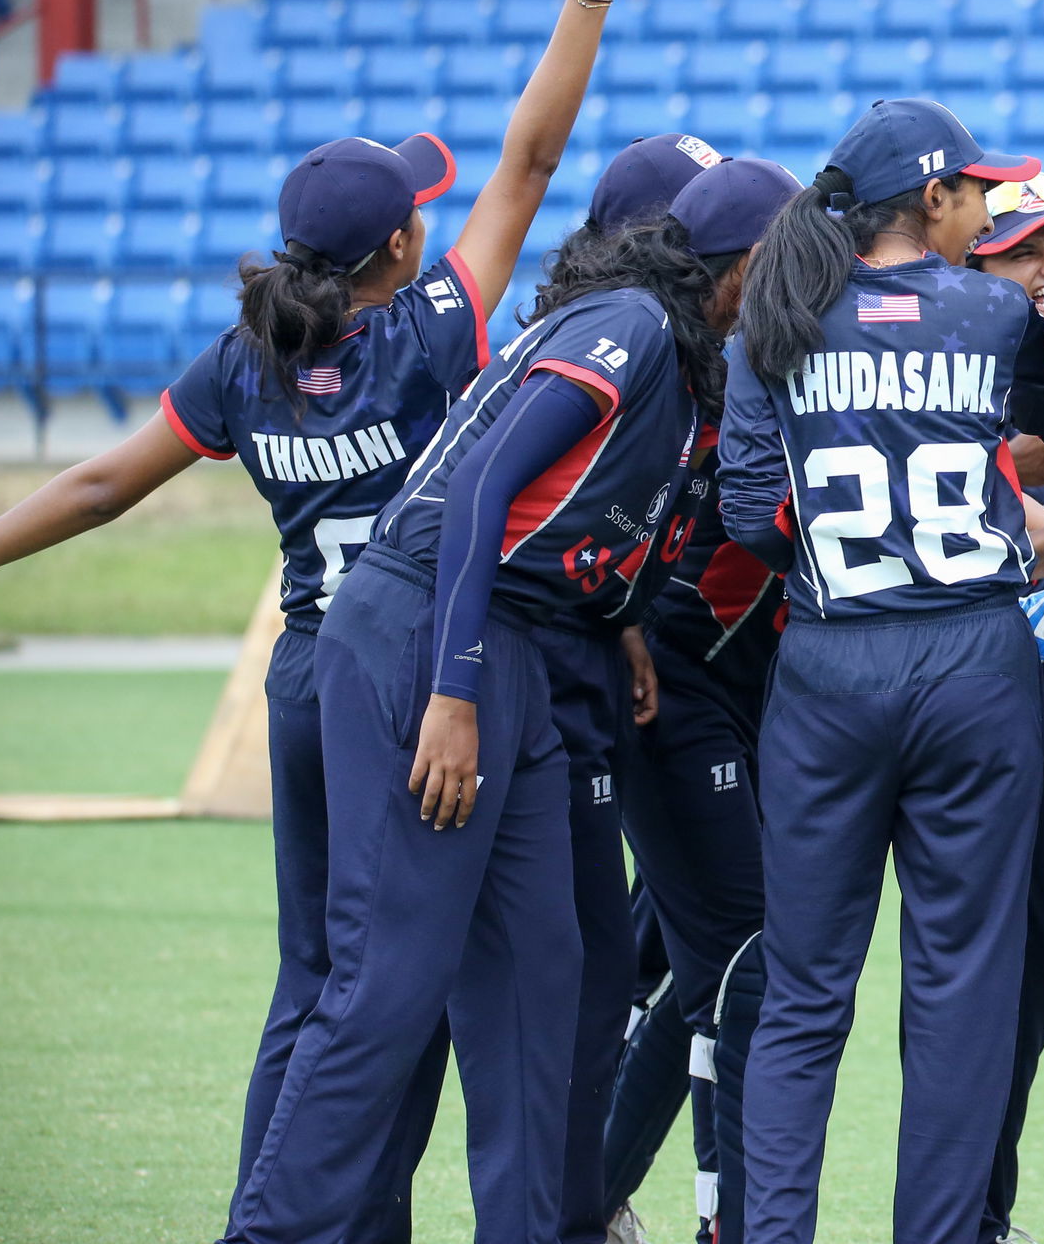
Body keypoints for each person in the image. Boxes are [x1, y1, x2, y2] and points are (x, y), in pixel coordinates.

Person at [0, 0, 651, 1243]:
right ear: (400, 248)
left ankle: (294, 1211)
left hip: (309, 680)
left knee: (319, 981)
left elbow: (108, 483)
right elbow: (527, 166)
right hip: (428, 675)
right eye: (418, 208)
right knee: (409, 987)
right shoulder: (433, 330)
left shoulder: (250, 363)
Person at [226, 101, 752, 1243]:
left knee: (545, 978)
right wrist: (454, 692)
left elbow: (561, 521)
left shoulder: (666, 345)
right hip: (432, 632)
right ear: (728, 260)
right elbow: (473, 495)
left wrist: (609, 615)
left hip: (514, 636)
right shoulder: (633, 325)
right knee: (386, 988)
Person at [719, 98, 1044, 1244]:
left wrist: (848, 555)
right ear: (932, 199)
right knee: (959, 993)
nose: (985, 208)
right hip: (972, 664)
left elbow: (745, 510)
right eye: (975, 189)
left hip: (829, 668)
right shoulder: (986, 306)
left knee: (801, 995)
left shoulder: (770, 323)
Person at [534, 132, 734, 1244]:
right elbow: (494, 513)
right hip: (634, 688)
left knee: (668, 952)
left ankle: (586, 1198)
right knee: (710, 960)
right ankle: (592, 1204)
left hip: (686, 679)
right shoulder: (631, 347)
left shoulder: (695, 343)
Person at [598, 158, 801, 1244]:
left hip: (742, 689)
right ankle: (724, 1219)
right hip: (669, 690)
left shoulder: (742, 352)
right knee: (740, 962)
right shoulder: (650, 364)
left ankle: (583, 1197)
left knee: (699, 965)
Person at [965, 164, 1044, 1244]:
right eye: (1019, 251)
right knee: (970, 964)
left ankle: (981, 1205)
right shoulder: (946, 362)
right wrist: (1013, 492)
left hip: (1043, 668)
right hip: (952, 673)